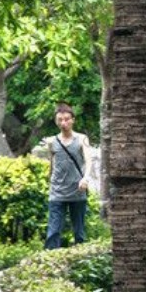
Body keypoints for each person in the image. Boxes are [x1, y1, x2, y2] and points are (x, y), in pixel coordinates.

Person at [45, 102, 91, 249]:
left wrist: (86, 178)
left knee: (79, 232)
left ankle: (81, 262)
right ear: (56, 121)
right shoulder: (52, 142)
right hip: (57, 192)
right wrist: (49, 184)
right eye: (60, 119)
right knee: (53, 231)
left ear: (73, 120)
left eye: (66, 119)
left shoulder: (82, 139)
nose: (63, 123)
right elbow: (52, 165)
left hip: (77, 190)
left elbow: (89, 161)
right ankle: (49, 262)